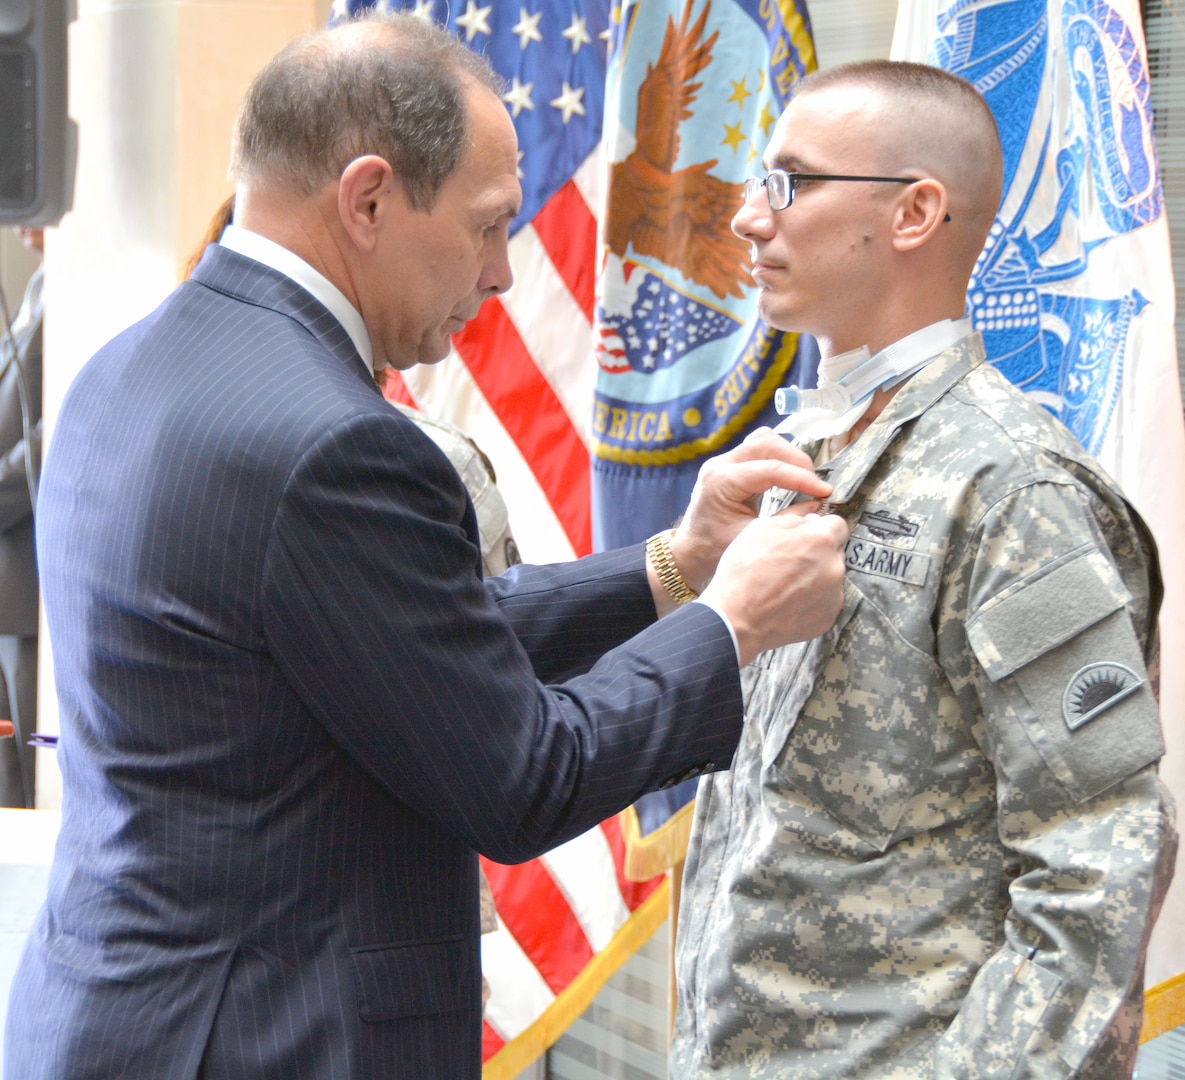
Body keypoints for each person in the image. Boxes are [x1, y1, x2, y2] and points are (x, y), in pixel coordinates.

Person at [4, 14, 850, 1079]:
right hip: (261, 1038)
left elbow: (391, 641)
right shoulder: (333, 441)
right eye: (491, 225)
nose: (503, 271)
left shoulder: (135, 359)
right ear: (367, 200)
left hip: (128, 1011)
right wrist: (735, 626)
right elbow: (523, 776)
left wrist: (676, 562)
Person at [671, 60, 1176, 1079]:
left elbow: (1097, 860)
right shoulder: (807, 456)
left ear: (914, 213)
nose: (749, 220)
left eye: (792, 182)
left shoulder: (1014, 490)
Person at [0, 226, 43, 809]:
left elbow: (49, 434)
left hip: (34, 598)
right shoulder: (35, 286)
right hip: (9, 599)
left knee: (33, 783)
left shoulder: (82, 291)